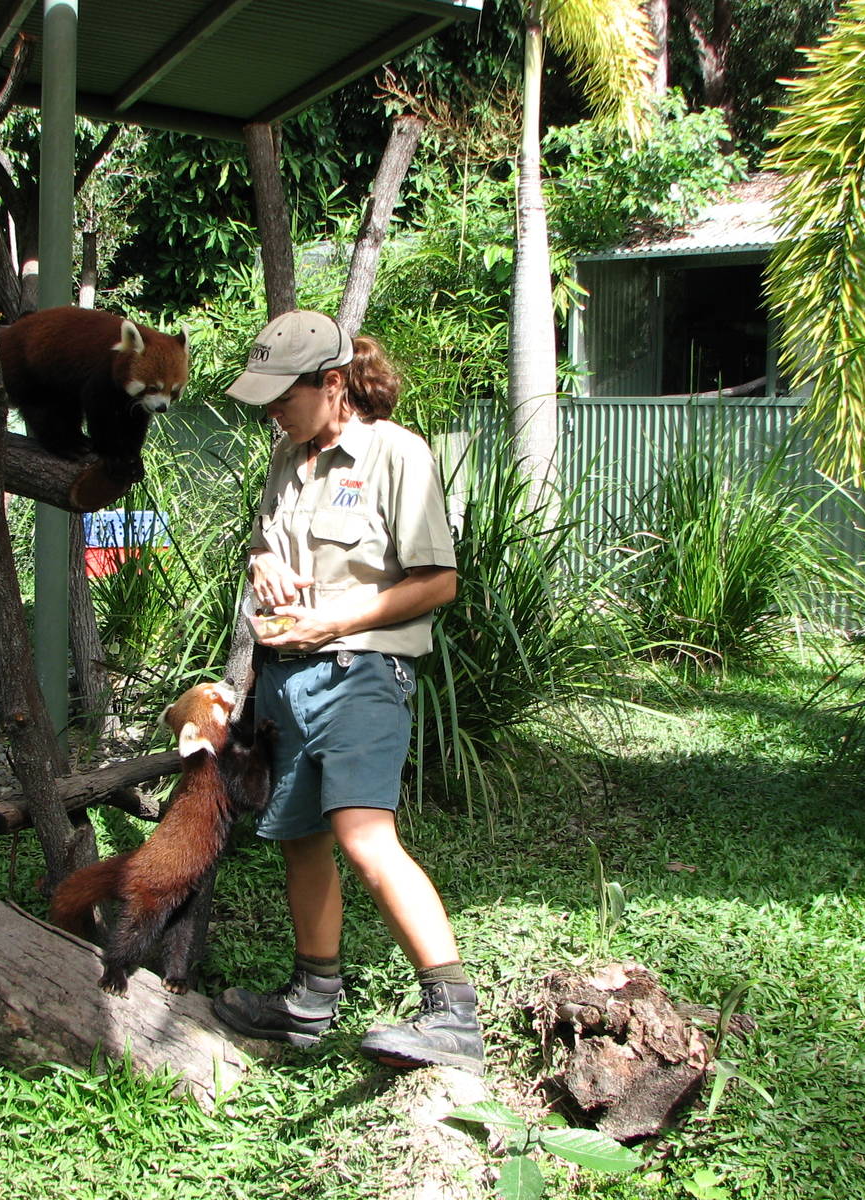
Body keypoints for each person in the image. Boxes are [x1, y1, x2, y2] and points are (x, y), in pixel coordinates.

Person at [212, 310, 483, 1074]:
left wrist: (331, 623)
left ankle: (452, 1012)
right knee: (300, 839)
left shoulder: (398, 454)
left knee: (365, 835)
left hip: (362, 674)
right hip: (285, 680)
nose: (272, 411)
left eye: (282, 396)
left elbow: (438, 582)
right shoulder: (287, 458)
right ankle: (309, 1000)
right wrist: (260, 561)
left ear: (333, 385)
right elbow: (270, 544)